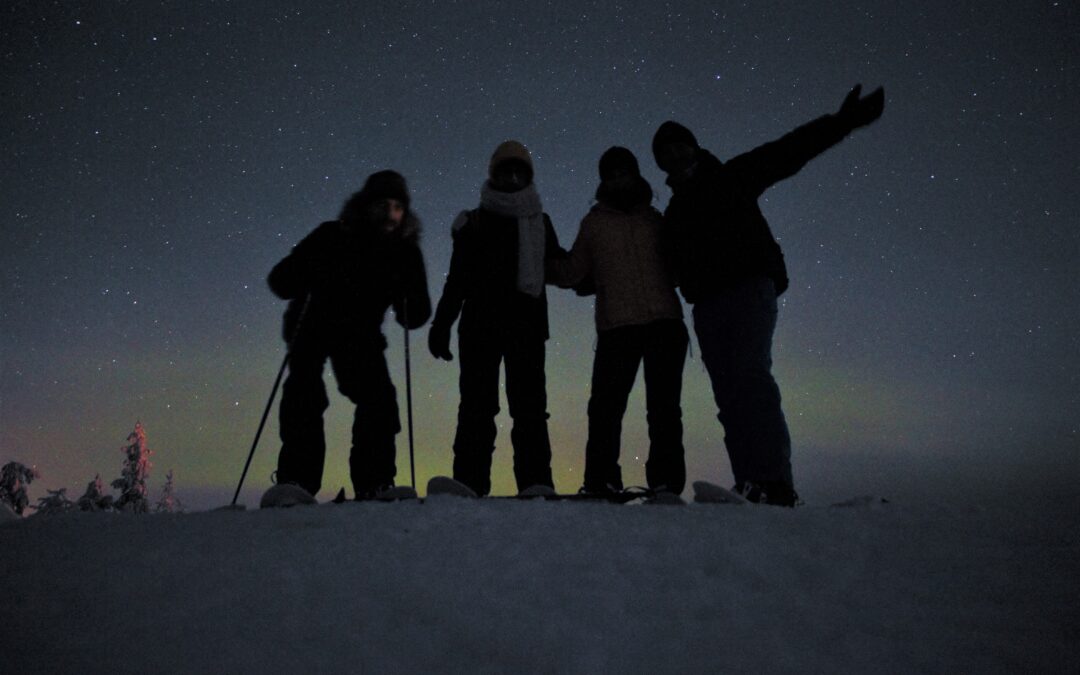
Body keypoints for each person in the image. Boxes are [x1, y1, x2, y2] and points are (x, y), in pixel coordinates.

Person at [652, 84, 885, 507]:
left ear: (693, 147)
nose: (675, 156)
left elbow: (787, 152)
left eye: (679, 146)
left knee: (751, 381)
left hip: (747, 292)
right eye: (665, 153)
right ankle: (750, 484)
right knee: (729, 396)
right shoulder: (672, 216)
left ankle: (775, 483)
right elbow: (661, 266)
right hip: (707, 307)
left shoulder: (730, 177)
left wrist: (842, 122)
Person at [267, 170, 431, 501]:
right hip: (311, 323)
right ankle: (296, 482)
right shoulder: (332, 236)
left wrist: (408, 297)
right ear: (366, 206)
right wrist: (308, 269)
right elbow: (281, 280)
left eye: (398, 207)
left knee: (379, 399)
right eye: (383, 205)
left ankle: (375, 481)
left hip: (360, 334)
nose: (390, 214)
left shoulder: (404, 252)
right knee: (305, 392)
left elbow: (416, 314)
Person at [547, 147, 688, 498]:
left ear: (636, 175)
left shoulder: (655, 219)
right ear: (604, 180)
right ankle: (601, 481)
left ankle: (667, 483)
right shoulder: (594, 224)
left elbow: (678, 265)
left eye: (624, 173)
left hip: (664, 324)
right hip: (617, 329)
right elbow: (573, 271)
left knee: (664, 411)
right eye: (612, 175)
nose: (618, 179)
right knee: (605, 410)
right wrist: (539, 259)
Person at [428, 141, 561, 497]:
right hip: (480, 328)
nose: (513, 176)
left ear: (527, 176)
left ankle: (536, 483)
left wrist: (594, 275)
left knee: (530, 409)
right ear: (495, 175)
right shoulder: (474, 222)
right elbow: (457, 280)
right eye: (506, 170)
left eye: (519, 171)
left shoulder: (540, 222)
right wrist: (441, 325)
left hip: (528, 329)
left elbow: (559, 266)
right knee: (476, 407)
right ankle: (469, 483)